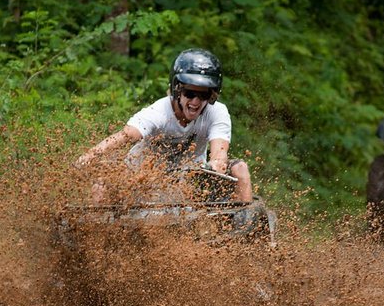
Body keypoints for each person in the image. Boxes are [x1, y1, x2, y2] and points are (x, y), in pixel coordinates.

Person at [75, 48, 253, 202]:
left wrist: (215, 166)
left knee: (240, 168)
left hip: (188, 182)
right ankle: (96, 234)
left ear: (212, 96)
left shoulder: (217, 112)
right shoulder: (158, 112)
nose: (196, 101)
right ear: (177, 90)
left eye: (203, 95)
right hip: (140, 180)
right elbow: (126, 135)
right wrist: (88, 157)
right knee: (102, 181)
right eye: (190, 93)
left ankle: (247, 235)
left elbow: (219, 156)